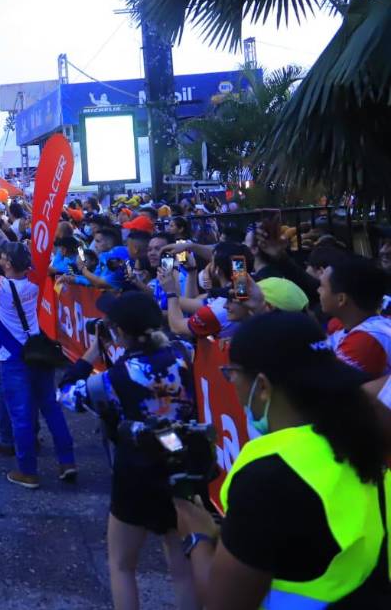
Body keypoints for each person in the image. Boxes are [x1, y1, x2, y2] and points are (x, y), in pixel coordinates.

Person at [173, 311, 391, 608]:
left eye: (230, 373)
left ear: (262, 386)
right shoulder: (362, 434)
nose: (230, 383)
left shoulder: (269, 473)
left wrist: (196, 534)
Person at [57, 292, 198, 610]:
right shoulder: (185, 354)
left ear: (119, 332)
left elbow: (66, 395)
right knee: (181, 564)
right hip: (181, 459)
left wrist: (92, 352)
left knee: (121, 565)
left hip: (136, 468)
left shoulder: (115, 377)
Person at [0, 209, 76, 489]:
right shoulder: (35, 277)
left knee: (21, 416)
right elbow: (6, 244)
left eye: (2, 258)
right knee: (51, 409)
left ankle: (28, 471)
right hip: (39, 353)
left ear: (8, 264)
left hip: (13, 359)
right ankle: (67, 462)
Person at [319, 254, 391, 377]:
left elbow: (327, 385)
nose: (318, 290)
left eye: (322, 286)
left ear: (341, 299)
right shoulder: (341, 323)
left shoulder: (368, 339)